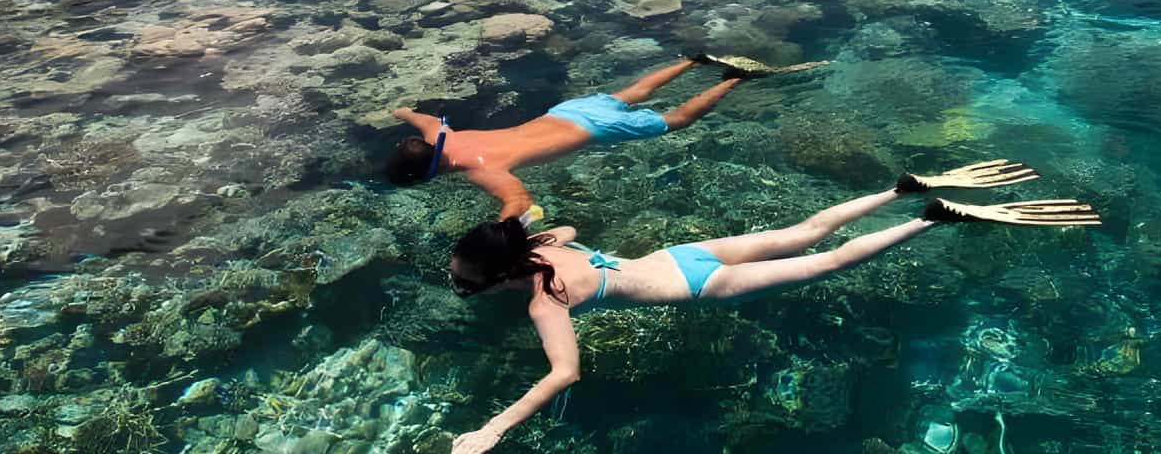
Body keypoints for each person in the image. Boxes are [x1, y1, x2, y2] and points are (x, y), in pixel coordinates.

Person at [443, 161, 1101, 453]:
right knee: (810, 229)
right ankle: (899, 189)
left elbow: (564, 375)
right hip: (683, 255)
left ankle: (931, 217)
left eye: (467, 284)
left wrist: (494, 429)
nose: (464, 290)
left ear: (501, 277)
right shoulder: (546, 248)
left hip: (699, 287)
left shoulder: (544, 301)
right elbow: (548, 224)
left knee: (833, 260)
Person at [387, 57, 753, 220]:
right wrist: (399, 112)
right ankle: (693, 61)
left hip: (590, 130)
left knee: (679, 120)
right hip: (566, 112)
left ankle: (736, 78)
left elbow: (521, 201)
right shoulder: (442, 136)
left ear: (434, 172)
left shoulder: (481, 170)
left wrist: (503, 229)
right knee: (634, 92)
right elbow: (422, 118)